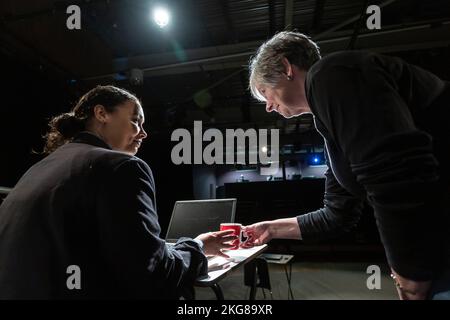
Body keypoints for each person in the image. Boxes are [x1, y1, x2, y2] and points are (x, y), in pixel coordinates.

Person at [245, 31, 450, 300]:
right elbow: (337, 214)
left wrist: (410, 273)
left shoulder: (331, 74)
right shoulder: (329, 124)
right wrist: (271, 229)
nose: (269, 107)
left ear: (286, 67)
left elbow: (396, 175)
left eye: (265, 93)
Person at [0, 85, 236, 299]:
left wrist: (172, 249)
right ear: (101, 114)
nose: (143, 133)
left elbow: (94, 249)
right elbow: (152, 273)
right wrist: (196, 248)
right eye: (135, 121)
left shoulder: (39, 168)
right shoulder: (122, 167)